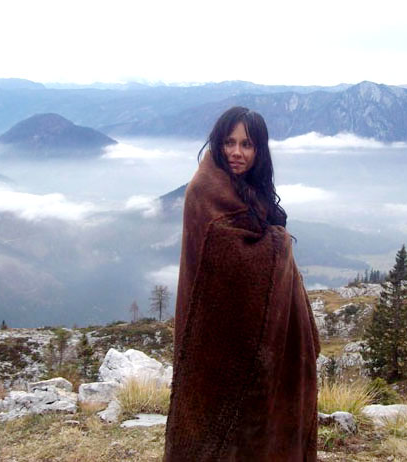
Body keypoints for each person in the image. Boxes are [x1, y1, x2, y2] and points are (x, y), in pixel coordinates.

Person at [164, 106, 321, 461]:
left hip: (249, 323)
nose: (237, 152)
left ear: (259, 150)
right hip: (214, 328)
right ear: (218, 144)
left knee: (256, 412)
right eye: (229, 142)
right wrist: (279, 244)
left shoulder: (248, 189)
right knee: (219, 415)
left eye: (247, 144)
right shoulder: (205, 191)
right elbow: (233, 258)